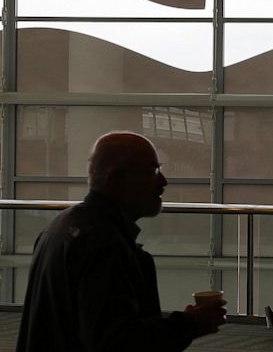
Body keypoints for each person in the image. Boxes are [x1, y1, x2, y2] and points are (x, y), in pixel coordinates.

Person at [15, 131, 226, 352]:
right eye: (152, 171)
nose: (163, 182)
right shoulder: (104, 245)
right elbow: (117, 342)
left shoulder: (58, 227)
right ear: (116, 180)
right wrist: (189, 325)